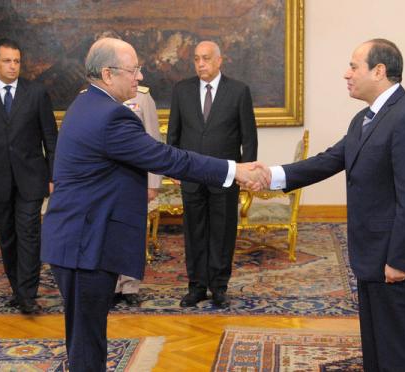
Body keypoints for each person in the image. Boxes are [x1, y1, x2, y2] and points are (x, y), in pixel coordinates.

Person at [40, 37, 266, 372]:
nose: (139, 77)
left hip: (76, 240)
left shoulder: (85, 104)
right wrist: (233, 169)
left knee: (84, 338)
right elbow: (166, 157)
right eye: (133, 70)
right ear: (107, 73)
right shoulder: (111, 118)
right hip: (84, 245)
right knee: (87, 343)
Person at [253, 39, 405, 372]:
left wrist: (399, 260)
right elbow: (327, 161)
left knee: (396, 349)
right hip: (370, 254)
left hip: (394, 259)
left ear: (379, 71)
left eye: (354, 66)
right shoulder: (364, 119)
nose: (346, 74)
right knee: (376, 345)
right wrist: (272, 176)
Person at [167, 40, 258, 309]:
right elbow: (174, 133)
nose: (200, 64)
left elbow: (248, 137)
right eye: (196, 59)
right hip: (192, 175)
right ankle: (196, 286)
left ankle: (219, 286)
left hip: (226, 176)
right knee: (194, 232)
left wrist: (248, 171)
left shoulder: (239, 91)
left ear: (220, 60)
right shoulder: (181, 90)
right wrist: (173, 166)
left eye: (206, 58)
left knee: (222, 232)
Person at [0, 38, 58, 314]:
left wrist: (52, 175)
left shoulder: (36, 93)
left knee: (29, 234)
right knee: (8, 237)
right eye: (7, 61)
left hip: (32, 179)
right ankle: (17, 288)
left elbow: (50, 137)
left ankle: (27, 294)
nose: (13, 66)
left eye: (17, 61)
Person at [114, 85, 163, 306]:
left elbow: (153, 141)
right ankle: (111, 286)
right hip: (102, 183)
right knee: (106, 235)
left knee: (132, 234)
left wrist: (153, 183)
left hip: (134, 180)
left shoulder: (142, 97)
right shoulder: (87, 96)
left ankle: (130, 286)